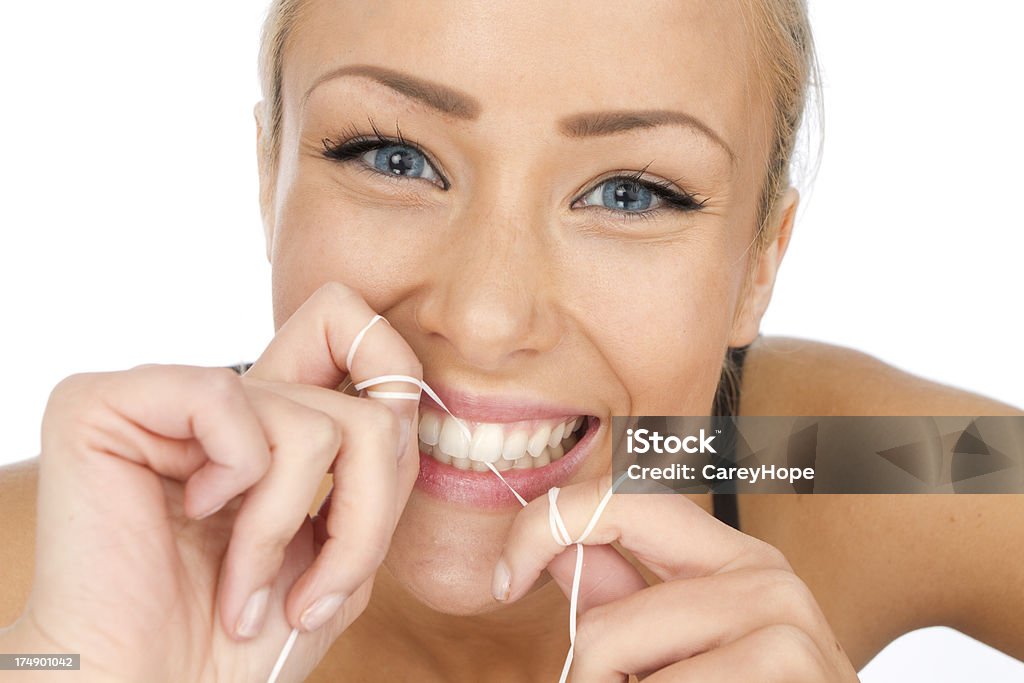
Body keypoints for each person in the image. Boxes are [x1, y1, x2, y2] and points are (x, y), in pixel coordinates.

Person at [1, 1, 1022, 680]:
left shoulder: (825, 454)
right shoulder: (59, 567)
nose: (486, 319)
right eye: (394, 156)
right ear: (268, 174)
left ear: (759, 261)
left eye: (630, 192)